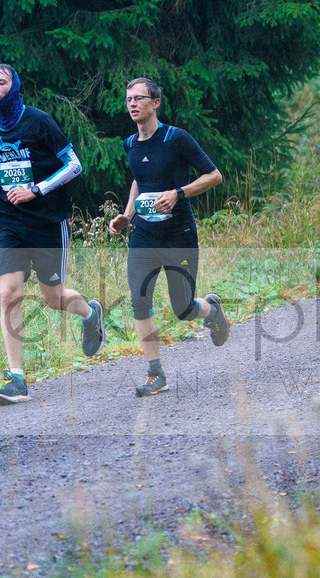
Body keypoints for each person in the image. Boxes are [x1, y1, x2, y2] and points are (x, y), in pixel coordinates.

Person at [0, 64, 105, 405]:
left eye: (1, 82)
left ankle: (90, 314)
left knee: (53, 297)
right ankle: (17, 379)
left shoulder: (39, 121)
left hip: (48, 221)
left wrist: (37, 189)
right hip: (10, 222)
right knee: (8, 293)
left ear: (14, 85)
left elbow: (74, 164)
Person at [108, 77, 228, 397]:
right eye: (128, 99)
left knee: (183, 308)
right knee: (139, 298)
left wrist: (178, 193)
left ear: (155, 103)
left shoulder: (177, 138)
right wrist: (127, 215)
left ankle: (211, 310)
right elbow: (139, 180)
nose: (132, 104)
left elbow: (214, 176)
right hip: (144, 235)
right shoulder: (130, 144)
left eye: (139, 98)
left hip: (179, 234)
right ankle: (155, 372)